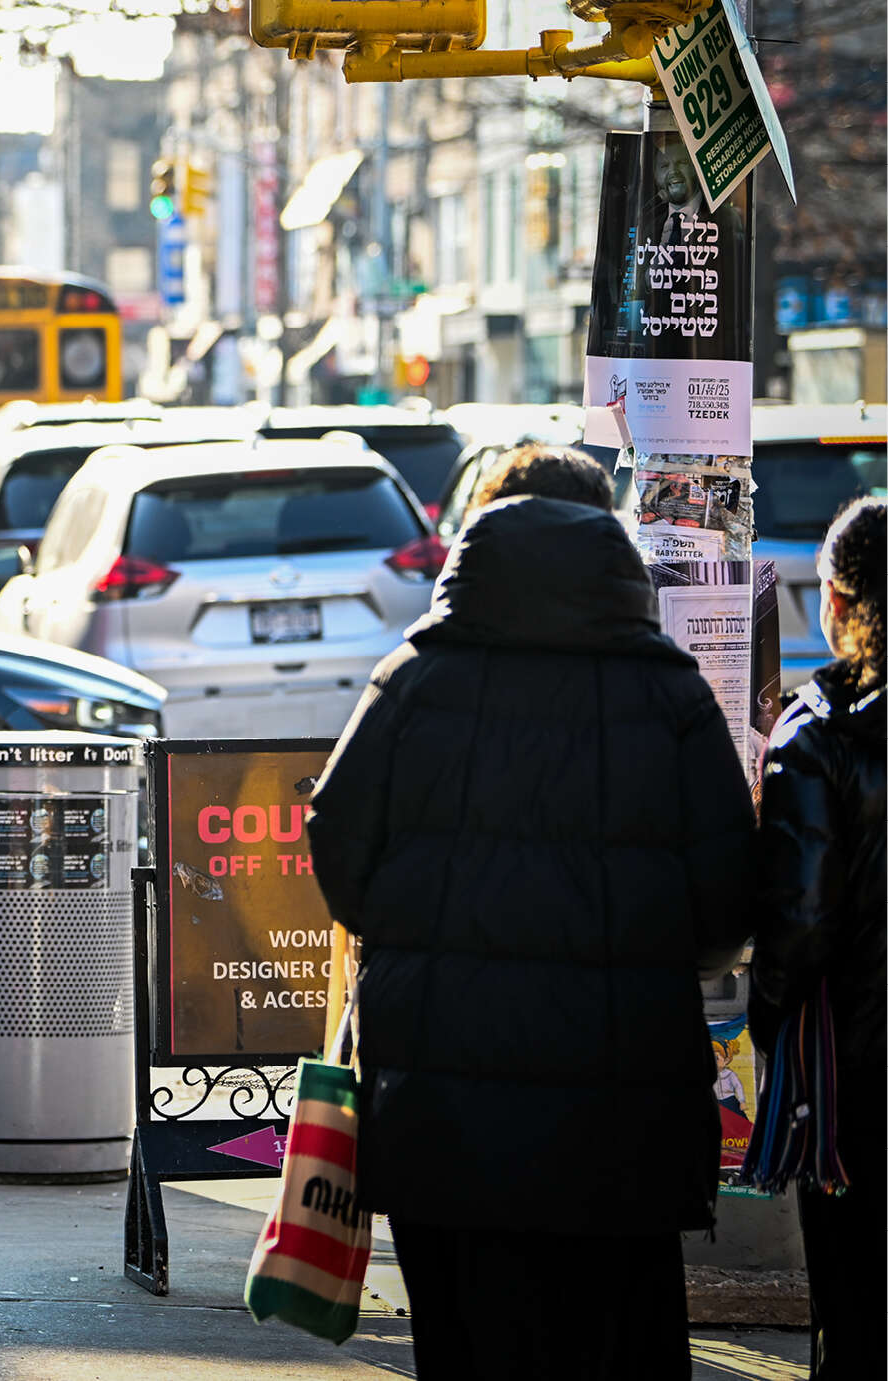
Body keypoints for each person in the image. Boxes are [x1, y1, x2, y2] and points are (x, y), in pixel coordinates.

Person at [307, 444, 757, 1379]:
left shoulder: (415, 678)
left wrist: (407, 936)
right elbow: (727, 899)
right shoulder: (669, 690)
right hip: (623, 1109)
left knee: (468, 1341)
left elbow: (337, 841)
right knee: (618, 1339)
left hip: (440, 1107)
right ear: (610, 541)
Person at [747, 496, 883, 1380]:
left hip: (858, 1082)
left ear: (831, 598)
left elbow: (797, 925)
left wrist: (766, 1020)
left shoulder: (820, 733)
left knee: (858, 1307)